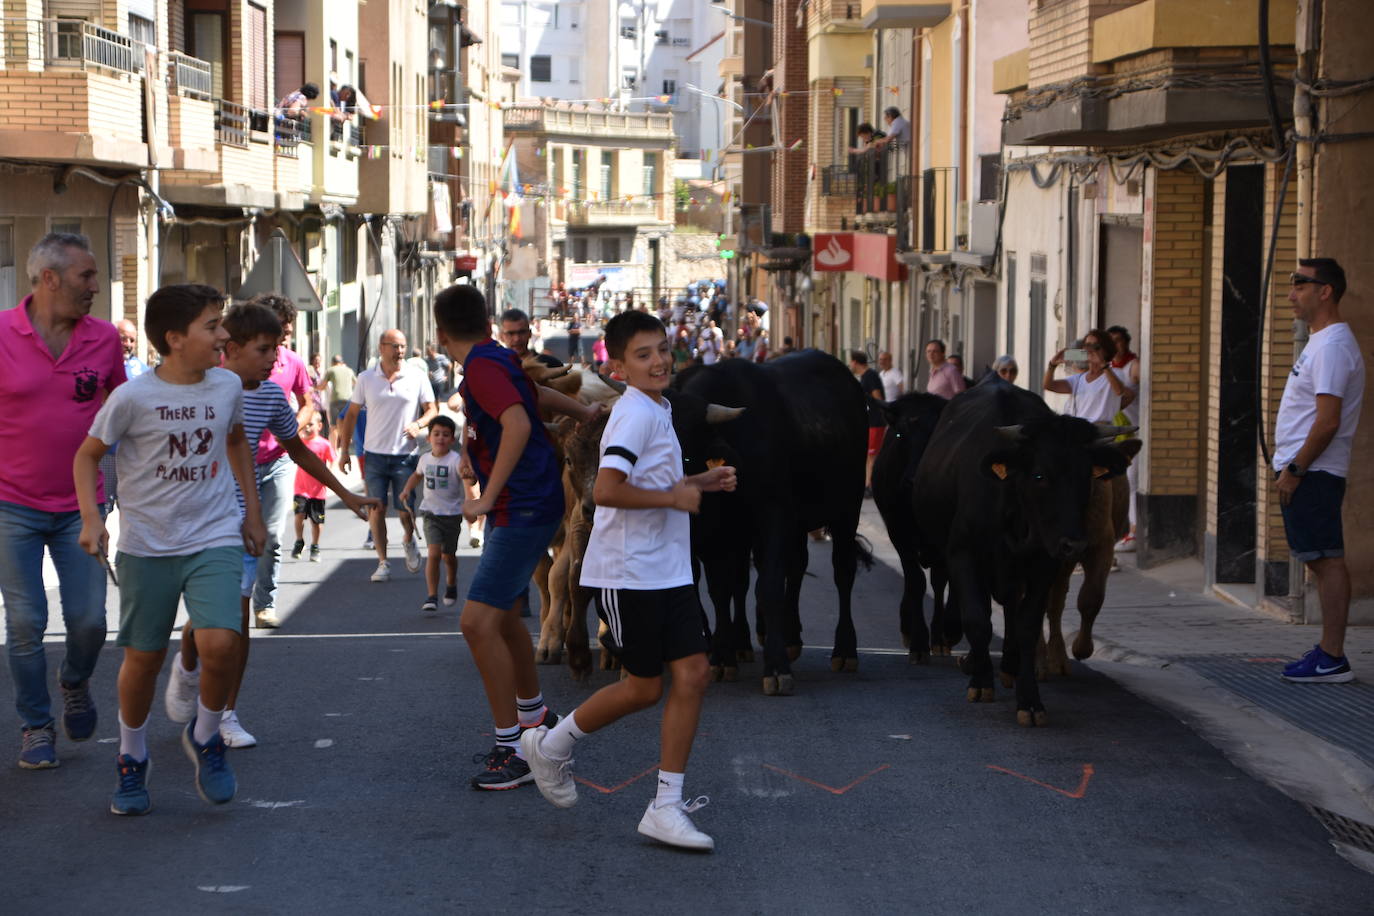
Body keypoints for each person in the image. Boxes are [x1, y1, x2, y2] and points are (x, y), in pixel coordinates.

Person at [522, 309, 736, 850]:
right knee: (642, 688)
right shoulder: (634, 415)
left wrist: (696, 481)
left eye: (662, 349)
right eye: (643, 354)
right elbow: (608, 490)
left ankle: (665, 806)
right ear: (618, 367)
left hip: (668, 569)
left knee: (692, 674)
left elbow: (648, 478)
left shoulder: (656, 408)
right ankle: (550, 746)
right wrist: (674, 496)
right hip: (629, 573)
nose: (659, 360)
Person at [73, 283, 267, 816]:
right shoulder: (132, 397)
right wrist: (93, 520)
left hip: (215, 534)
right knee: (144, 657)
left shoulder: (227, 385)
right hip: (148, 544)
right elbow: (87, 456)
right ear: (175, 339)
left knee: (223, 643)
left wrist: (251, 511)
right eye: (212, 326)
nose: (223, 335)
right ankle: (131, 758)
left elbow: (234, 441)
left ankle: (205, 736)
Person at [163, 302, 375, 751]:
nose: (275, 361)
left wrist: (348, 495)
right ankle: (186, 666)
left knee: (234, 623)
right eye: (265, 350)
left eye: (278, 350)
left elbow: (298, 451)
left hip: (241, 526)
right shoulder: (199, 389)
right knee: (208, 623)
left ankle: (225, 714)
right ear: (232, 349)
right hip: (199, 524)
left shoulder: (271, 395)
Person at [433, 283, 598, 790]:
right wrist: (583, 412)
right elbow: (532, 395)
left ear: (440, 335)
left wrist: (486, 496)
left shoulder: (483, 366)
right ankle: (534, 716)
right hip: (526, 501)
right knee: (501, 615)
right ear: (487, 325)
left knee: (476, 623)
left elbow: (519, 423)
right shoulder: (494, 359)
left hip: (520, 504)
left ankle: (515, 748)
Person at [1, 233, 124, 769]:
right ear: (49, 279)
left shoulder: (104, 339)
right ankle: (35, 724)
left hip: (83, 506)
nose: (95, 287)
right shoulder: (1, 333)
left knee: (91, 621)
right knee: (25, 621)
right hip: (11, 506)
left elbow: (126, 415)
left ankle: (73, 679)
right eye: (86, 277)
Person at [1276, 259, 1364, 684]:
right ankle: (1329, 651)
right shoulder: (1321, 342)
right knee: (1319, 558)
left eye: (1300, 284)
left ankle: (1332, 657)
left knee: (1327, 560)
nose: (1292, 293)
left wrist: (1296, 468)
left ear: (1325, 291)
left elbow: (1327, 421)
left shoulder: (1331, 347)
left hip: (1314, 471)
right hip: (1308, 470)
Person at [337, 329, 438, 584]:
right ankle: (383, 562)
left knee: (405, 509)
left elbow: (432, 409)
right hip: (374, 456)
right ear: (381, 347)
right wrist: (344, 451)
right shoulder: (366, 379)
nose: (400, 351)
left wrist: (420, 423)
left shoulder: (416, 376)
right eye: (394, 346)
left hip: (405, 455)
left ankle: (408, 538)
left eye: (403, 346)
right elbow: (350, 415)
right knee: (376, 508)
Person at [245, 294, 314, 631]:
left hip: (278, 460)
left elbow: (307, 402)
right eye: (278, 328)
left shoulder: (292, 362)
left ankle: (264, 604)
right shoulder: (238, 363)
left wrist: (291, 429)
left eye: (287, 329)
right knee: (238, 535)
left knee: (272, 534)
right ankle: (231, 601)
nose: (284, 335)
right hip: (239, 463)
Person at [399, 414, 465, 614]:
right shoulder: (425, 459)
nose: (440, 438)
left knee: (449, 556)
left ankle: (451, 583)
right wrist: (407, 490)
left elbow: (466, 478)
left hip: (452, 514)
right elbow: (417, 475)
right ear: (429, 438)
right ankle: (432, 595)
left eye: (446, 435)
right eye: (436, 434)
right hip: (430, 514)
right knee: (434, 554)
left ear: (452, 440)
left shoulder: (456, 460)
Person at [1042, 329, 1134, 422]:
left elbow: (1119, 391)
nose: (1090, 350)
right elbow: (1048, 385)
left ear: (1106, 350)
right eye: (1087, 345)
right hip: (1079, 428)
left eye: (1095, 346)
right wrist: (1052, 365)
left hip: (1100, 430)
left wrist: (1103, 364)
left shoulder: (1115, 372)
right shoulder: (1079, 378)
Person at [1107, 325, 1142, 550]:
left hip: (1134, 432)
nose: (1115, 346)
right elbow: (1074, 354)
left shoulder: (1133, 366)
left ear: (1126, 342)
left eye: (1119, 341)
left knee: (1131, 479)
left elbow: (1123, 392)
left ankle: (1134, 531)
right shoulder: (1105, 365)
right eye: (1110, 342)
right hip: (1114, 433)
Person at [291, 415, 333, 563]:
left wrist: (328, 480)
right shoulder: (300, 443)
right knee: (299, 515)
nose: (307, 428)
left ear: (319, 426)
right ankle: (299, 540)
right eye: (305, 425)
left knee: (316, 521)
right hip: (301, 488)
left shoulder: (324, 444)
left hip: (318, 491)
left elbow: (331, 461)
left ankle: (315, 545)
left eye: (310, 424)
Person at [850, 350, 886, 495]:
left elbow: (878, 397)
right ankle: (867, 483)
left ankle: (870, 485)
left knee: (872, 455)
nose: (850, 365)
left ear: (855, 362)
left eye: (851, 362)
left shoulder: (870, 376)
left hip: (876, 421)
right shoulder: (865, 376)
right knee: (869, 454)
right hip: (870, 420)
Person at [320, 354, 356, 434]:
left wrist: (314, 387)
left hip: (336, 400)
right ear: (342, 362)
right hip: (348, 400)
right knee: (346, 423)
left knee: (334, 425)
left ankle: (335, 445)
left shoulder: (331, 370)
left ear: (332, 363)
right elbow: (356, 383)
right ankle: (345, 443)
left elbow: (322, 386)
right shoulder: (349, 370)